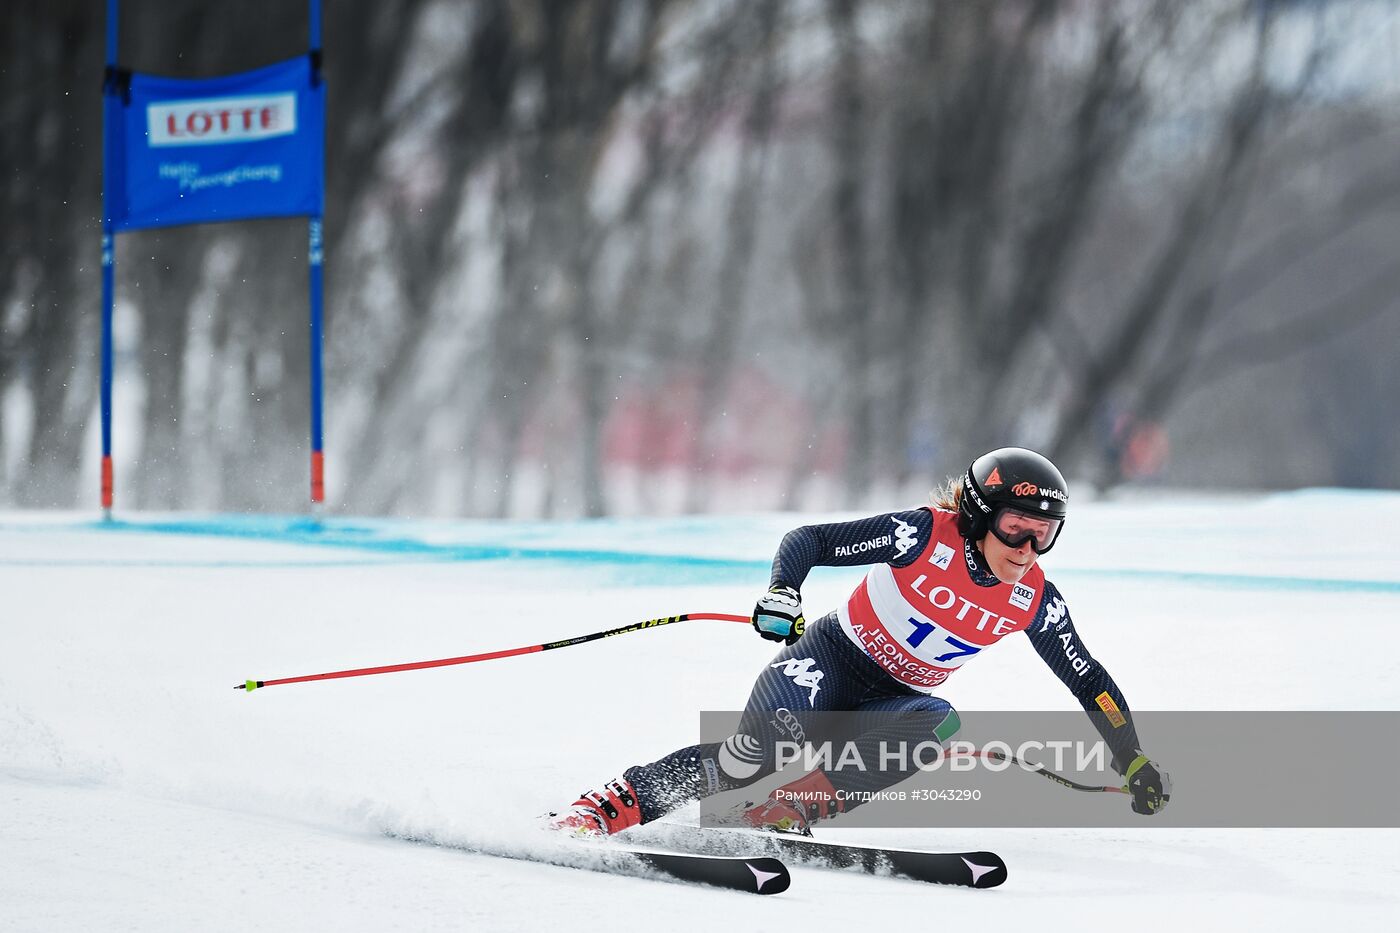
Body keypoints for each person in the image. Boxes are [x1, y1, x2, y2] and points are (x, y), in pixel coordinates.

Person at [550, 447, 1169, 836]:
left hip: (891, 702)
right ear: (981, 516)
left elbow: (1088, 680)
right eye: (1016, 530)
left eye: (1045, 536)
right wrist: (782, 593)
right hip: (827, 665)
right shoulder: (924, 535)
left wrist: (1131, 756)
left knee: (941, 724)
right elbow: (810, 541)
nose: (1027, 551)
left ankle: (790, 808)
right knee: (751, 757)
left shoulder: (1034, 597)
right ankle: (617, 803)